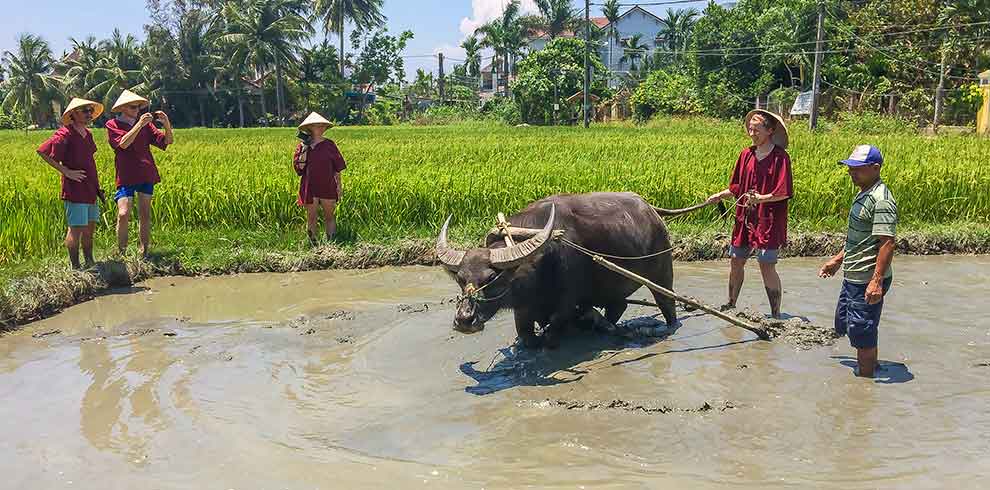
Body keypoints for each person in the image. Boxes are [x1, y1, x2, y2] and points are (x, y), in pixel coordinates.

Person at [706, 110, 793, 318]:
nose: (752, 133)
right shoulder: (746, 154)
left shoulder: (780, 158)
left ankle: (775, 313)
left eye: (757, 129)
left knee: (766, 264)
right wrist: (720, 195)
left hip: (768, 219)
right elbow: (737, 187)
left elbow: (783, 192)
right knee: (736, 260)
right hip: (745, 217)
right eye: (750, 129)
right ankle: (731, 303)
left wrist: (761, 198)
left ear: (770, 131)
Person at [819, 145, 897, 378]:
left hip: (867, 278)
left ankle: (865, 382)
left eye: (858, 169)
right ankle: (870, 363)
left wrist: (876, 281)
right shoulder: (864, 192)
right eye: (850, 168)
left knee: (862, 330)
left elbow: (887, 243)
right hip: (853, 274)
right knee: (847, 324)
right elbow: (859, 237)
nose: (852, 173)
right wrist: (838, 260)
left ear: (875, 168)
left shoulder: (881, 200)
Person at [36, 98, 105, 269]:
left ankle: (90, 262)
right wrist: (66, 171)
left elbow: (90, 162)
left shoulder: (88, 134)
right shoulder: (64, 133)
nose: (89, 114)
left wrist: (98, 187)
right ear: (73, 114)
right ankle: (75, 268)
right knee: (76, 228)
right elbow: (43, 151)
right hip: (74, 188)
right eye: (85, 111)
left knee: (89, 229)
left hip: (90, 187)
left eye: (90, 111)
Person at [105, 89, 173, 256]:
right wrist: (139, 124)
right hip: (126, 174)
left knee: (145, 213)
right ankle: (122, 253)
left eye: (138, 107)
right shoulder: (112, 125)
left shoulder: (146, 125)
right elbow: (123, 144)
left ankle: (144, 251)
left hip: (145, 172)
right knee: (123, 213)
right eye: (133, 107)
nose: (137, 110)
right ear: (123, 108)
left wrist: (166, 124)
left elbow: (167, 141)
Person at [293, 112, 346, 245]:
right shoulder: (302, 146)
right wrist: (305, 147)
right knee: (311, 217)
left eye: (323, 125)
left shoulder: (330, 145)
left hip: (327, 185)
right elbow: (299, 169)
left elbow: (338, 168)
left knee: (329, 216)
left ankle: (332, 244)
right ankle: (313, 244)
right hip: (309, 187)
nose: (322, 127)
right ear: (310, 127)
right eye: (318, 125)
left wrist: (339, 186)